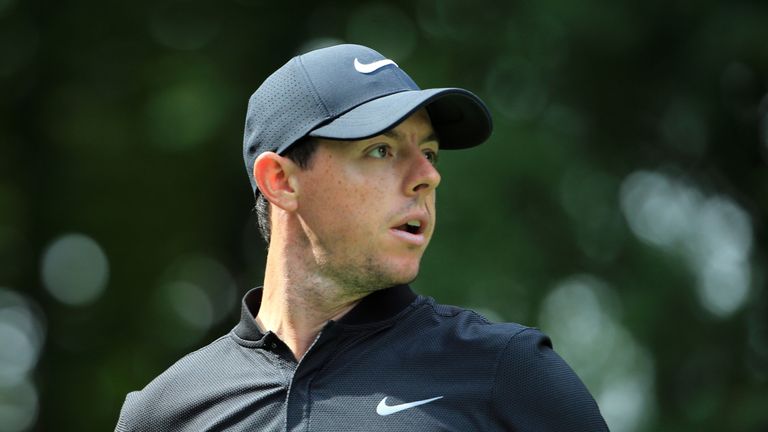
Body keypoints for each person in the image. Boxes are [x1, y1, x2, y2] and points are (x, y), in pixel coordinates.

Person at [115, 44, 608, 431]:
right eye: (380, 150)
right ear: (281, 181)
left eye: (429, 153)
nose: (427, 176)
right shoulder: (165, 412)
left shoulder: (509, 373)